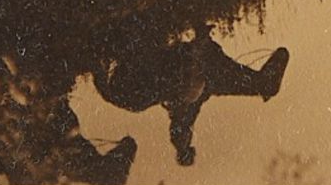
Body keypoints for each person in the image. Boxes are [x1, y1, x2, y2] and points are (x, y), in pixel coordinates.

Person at [92, 30, 289, 169]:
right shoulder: (138, 96)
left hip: (192, 71)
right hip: (195, 71)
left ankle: (262, 84)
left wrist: (183, 148)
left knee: (202, 87)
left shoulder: (135, 95)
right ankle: (262, 84)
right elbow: (180, 126)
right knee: (204, 86)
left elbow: (180, 125)